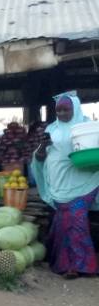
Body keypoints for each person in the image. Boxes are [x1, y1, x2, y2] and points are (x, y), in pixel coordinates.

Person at [33, 91, 99, 278]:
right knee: (63, 222)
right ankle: (59, 262)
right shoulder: (51, 129)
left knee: (76, 219)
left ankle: (80, 266)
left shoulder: (88, 126)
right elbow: (39, 158)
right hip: (59, 185)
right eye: (58, 110)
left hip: (85, 182)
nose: (61, 114)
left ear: (75, 109)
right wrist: (41, 147)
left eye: (65, 110)